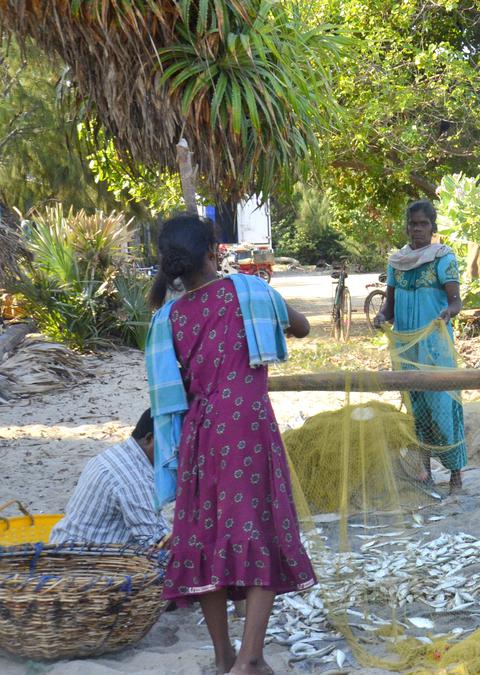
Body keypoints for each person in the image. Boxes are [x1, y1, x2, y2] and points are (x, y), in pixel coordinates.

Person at [146, 214, 315, 675]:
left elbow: (173, 386)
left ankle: (224, 657)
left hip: (199, 434)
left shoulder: (168, 317)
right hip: (247, 426)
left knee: (206, 538)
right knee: (260, 531)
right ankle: (250, 658)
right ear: (214, 251)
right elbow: (300, 327)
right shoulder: (249, 291)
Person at [373, 200, 466, 491]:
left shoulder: (443, 258)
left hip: (435, 347)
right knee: (416, 408)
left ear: (433, 227)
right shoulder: (397, 262)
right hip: (406, 347)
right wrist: (380, 316)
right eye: (412, 224)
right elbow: (390, 303)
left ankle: (455, 474)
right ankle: (425, 472)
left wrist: (448, 313)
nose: (417, 229)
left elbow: (456, 301)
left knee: (442, 406)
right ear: (407, 226)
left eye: (423, 224)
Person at [49, 409, 169, 546]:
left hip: (66, 542)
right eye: (172, 445)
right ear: (149, 439)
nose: (175, 453)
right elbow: (159, 543)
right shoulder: (133, 479)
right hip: (82, 559)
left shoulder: (119, 454)